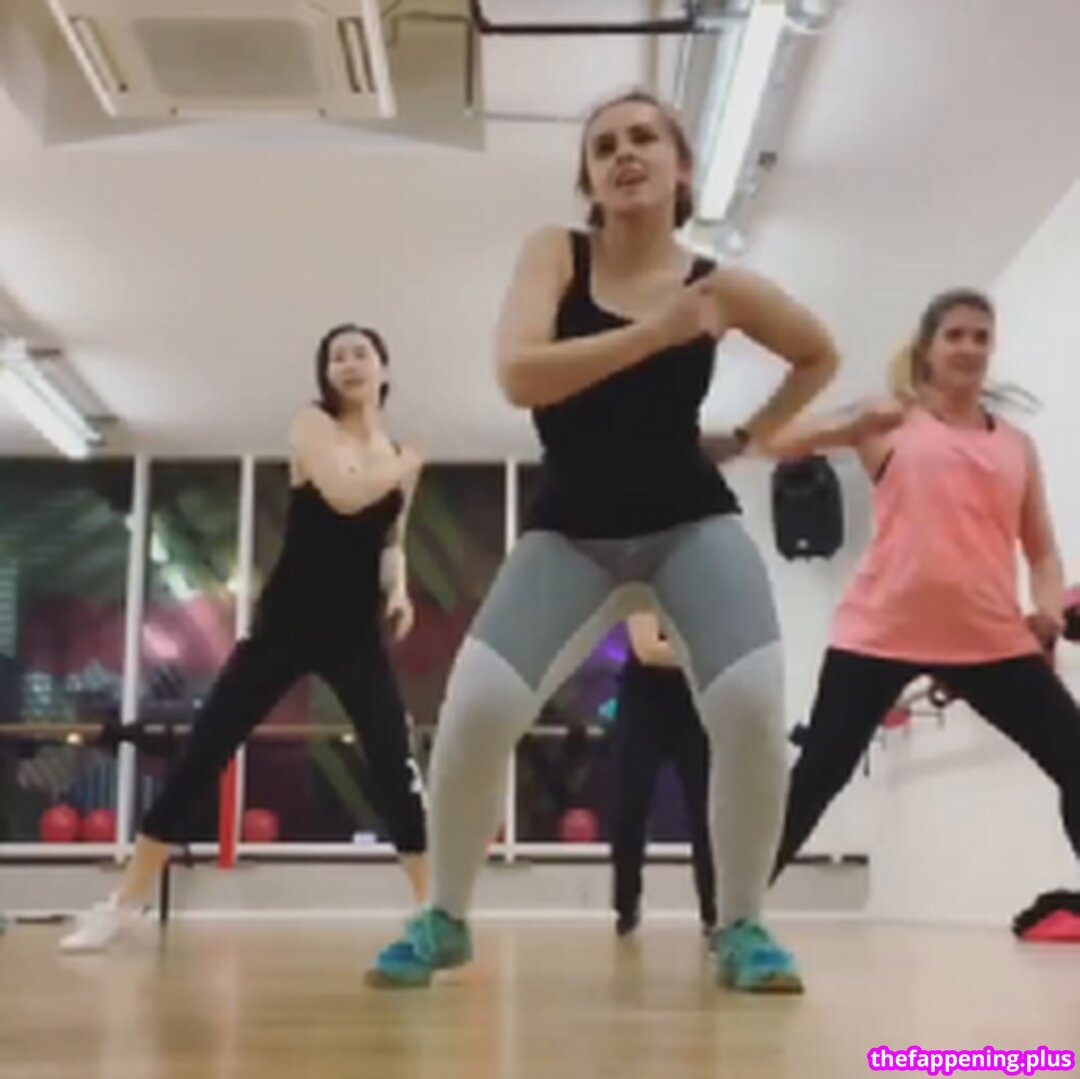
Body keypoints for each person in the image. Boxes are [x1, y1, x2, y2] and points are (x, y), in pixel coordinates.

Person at [367, 88, 840, 993]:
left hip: (690, 521)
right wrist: (660, 332)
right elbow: (519, 375)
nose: (624, 154)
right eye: (603, 145)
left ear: (681, 169)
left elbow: (818, 351)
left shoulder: (721, 286)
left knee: (750, 708)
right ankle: (445, 918)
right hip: (572, 530)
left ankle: (742, 924)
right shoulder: (557, 253)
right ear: (587, 178)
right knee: (474, 711)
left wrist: (751, 437)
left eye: (644, 139)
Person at [60, 324, 429, 952]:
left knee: (395, 763)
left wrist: (398, 591)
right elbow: (345, 496)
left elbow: (391, 538)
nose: (348, 364)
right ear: (325, 374)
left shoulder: (396, 456)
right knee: (205, 751)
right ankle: (124, 904)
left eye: (360, 354)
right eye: (336, 357)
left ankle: (433, 915)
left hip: (354, 633)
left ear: (383, 370)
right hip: (286, 625)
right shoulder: (313, 426)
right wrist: (404, 464)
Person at [765, 289, 1080, 882]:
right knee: (819, 776)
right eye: (955, 335)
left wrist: (1047, 611)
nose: (969, 347)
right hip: (879, 631)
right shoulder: (890, 422)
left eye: (981, 337)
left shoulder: (1016, 446)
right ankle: (731, 912)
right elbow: (774, 441)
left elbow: (1041, 550)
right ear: (927, 348)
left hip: (989, 638)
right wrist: (851, 425)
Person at [611, 611, 716, 940]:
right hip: (644, 703)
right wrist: (707, 654)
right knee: (632, 802)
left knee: (706, 810)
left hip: (694, 704)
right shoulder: (645, 589)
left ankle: (714, 912)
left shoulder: (706, 595)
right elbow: (648, 650)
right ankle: (626, 907)